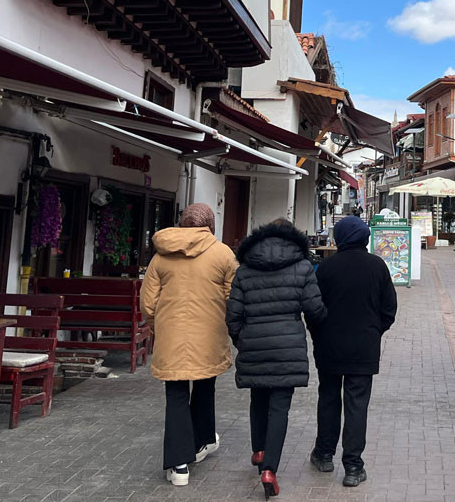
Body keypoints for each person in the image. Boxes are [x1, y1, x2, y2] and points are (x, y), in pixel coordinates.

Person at [228, 219, 327, 498]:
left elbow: (233, 315)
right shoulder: (303, 266)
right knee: (279, 408)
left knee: (257, 399)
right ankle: (270, 468)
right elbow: (314, 309)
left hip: (254, 344)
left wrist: (242, 340)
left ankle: (258, 451)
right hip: (288, 348)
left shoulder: (245, 269)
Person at [140, 203, 238, 487]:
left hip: (171, 335)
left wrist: (156, 327)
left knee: (177, 394)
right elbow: (234, 296)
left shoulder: (161, 256)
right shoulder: (222, 254)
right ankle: (203, 441)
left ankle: (179, 465)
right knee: (206, 386)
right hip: (209, 333)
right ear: (210, 224)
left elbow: (148, 302)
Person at [308, 216, 398, 488]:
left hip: (330, 345)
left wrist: (319, 334)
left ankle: (324, 455)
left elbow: (313, 308)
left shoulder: (326, 268)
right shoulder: (377, 266)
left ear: (340, 238)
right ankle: (353, 466)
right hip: (364, 347)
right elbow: (389, 310)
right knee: (357, 405)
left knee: (328, 398)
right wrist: (374, 331)